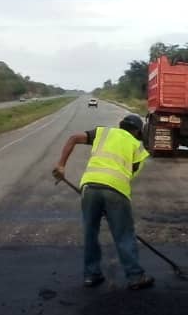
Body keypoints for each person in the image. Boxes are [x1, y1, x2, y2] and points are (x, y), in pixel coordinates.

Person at [53, 114, 154, 289]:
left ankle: (91, 275)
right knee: (123, 235)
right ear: (138, 131)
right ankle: (135, 277)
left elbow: (73, 138)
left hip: (90, 187)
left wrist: (61, 165)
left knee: (90, 233)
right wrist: (111, 207)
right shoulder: (138, 147)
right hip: (116, 190)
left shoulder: (103, 133)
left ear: (121, 125)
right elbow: (130, 174)